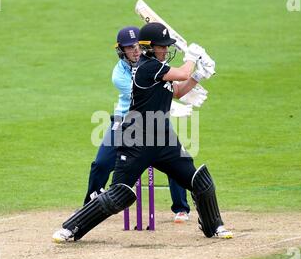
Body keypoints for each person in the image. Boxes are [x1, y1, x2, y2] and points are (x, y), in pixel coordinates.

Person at [53, 22, 233, 242]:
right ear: (149, 47)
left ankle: (214, 226)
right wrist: (194, 58)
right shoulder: (148, 66)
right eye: (162, 46)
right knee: (118, 195)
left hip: (164, 140)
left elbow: (177, 91)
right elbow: (183, 72)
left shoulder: (158, 68)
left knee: (199, 181)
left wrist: (199, 75)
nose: (166, 50)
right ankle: (72, 228)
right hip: (136, 139)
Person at [84, 26, 199, 222]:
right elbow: (143, 94)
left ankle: (181, 208)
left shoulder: (155, 64)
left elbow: (171, 84)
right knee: (101, 163)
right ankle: (88, 207)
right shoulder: (119, 75)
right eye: (129, 47)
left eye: (137, 45)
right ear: (122, 50)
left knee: (176, 161)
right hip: (125, 120)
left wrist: (193, 81)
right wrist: (174, 104)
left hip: (155, 121)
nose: (135, 50)